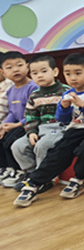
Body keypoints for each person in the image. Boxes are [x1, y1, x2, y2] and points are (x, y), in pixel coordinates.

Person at [13, 54, 84, 206]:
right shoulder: (67, 93)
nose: (73, 78)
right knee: (59, 151)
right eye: (68, 74)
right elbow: (63, 119)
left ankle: (79, 179)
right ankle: (34, 183)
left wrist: (83, 104)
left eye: (78, 73)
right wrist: (63, 107)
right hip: (74, 129)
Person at [7, 55, 69, 189]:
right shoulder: (34, 95)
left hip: (59, 128)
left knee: (42, 145)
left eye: (44, 71)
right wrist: (31, 132)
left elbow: (73, 115)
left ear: (55, 72)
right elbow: (30, 117)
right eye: (35, 73)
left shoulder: (65, 91)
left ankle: (43, 179)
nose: (39, 75)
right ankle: (32, 174)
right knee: (17, 146)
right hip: (41, 128)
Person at [0, 52, 38, 185]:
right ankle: (7, 169)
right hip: (18, 124)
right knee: (2, 137)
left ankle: (20, 171)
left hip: (31, 124)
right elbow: (12, 112)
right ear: (3, 73)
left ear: (27, 67)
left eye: (19, 65)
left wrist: (14, 126)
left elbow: (32, 113)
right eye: (9, 67)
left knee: (10, 140)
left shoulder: (33, 87)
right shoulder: (11, 90)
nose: (15, 69)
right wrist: (4, 125)